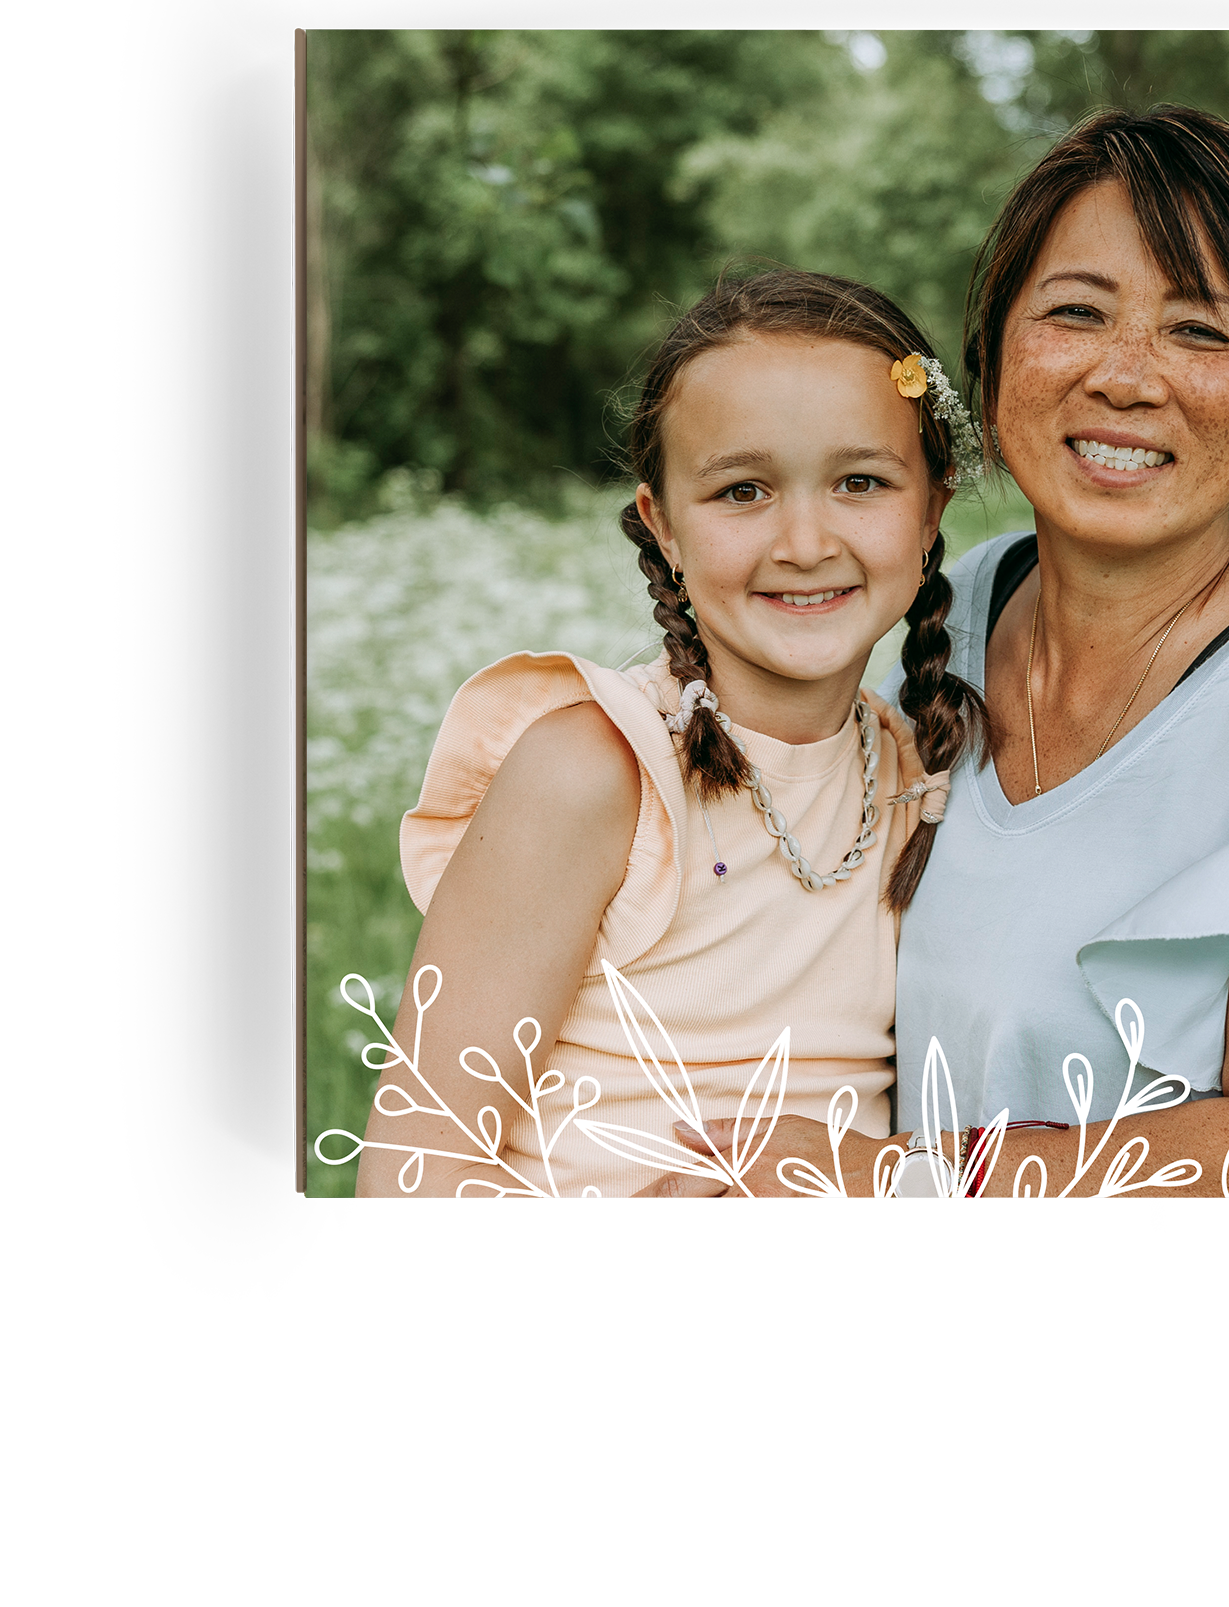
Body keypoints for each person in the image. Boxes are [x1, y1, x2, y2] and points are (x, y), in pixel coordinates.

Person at [681, 106, 1229, 1199]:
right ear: (991, 357)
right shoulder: (926, 612)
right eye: (1075, 312)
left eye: (1198, 331)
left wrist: (900, 1181)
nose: (1125, 374)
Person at [347, 269, 985, 1197]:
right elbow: (416, 1169)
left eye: (861, 481)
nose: (805, 540)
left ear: (930, 511)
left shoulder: (910, 771)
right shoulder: (597, 771)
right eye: (741, 492)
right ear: (665, 528)